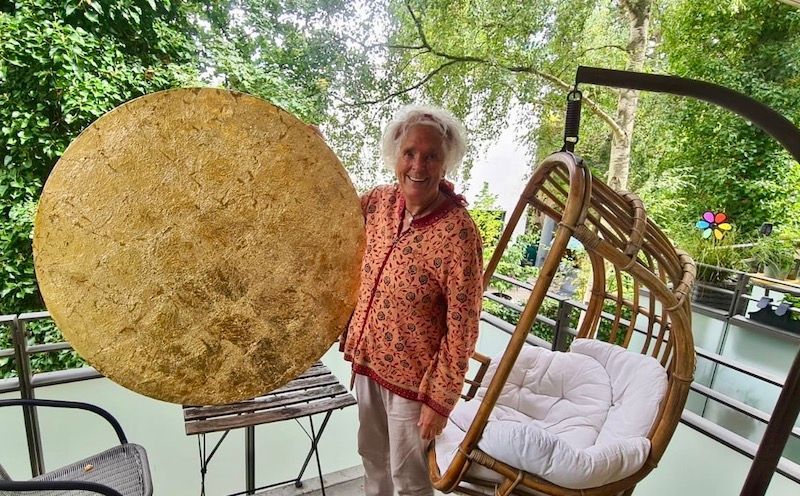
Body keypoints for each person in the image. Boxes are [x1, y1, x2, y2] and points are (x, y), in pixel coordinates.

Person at [342, 105, 483, 496]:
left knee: (409, 481)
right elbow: (331, 212)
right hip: (368, 364)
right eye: (409, 153)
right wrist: (312, 152)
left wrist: (441, 401)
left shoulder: (459, 233)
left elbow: (463, 327)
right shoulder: (379, 203)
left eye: (431, 155)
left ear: (445, 163)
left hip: (416, 386)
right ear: (396, 155)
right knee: (373, 461)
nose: (418, 166)